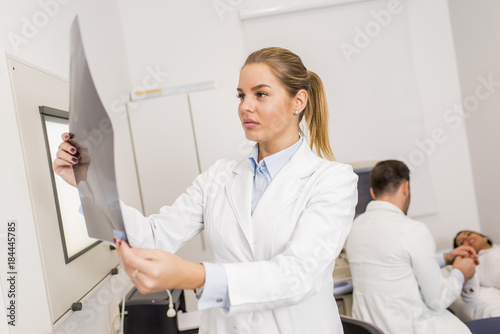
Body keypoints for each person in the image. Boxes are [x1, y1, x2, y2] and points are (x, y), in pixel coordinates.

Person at [53, 47, 358, 334]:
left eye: (260, 94)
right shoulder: (219, 177)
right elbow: (152, 236)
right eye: (241, 95)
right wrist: (88, 182)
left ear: (298, 101)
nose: (244, 106)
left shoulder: (332, 180)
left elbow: (298, 275)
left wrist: (196, 276)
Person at [345, 160, 478, 334]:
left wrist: (445, 258)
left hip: (375, 328)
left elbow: (394, 266)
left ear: (372, 192)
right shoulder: (412, 230)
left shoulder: (355, 227)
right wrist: (460, 272)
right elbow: (437, 300)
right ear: (405, 187)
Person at [454, 230, 500, 295]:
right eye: (462, 242)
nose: (466, 238)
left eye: (469, 234)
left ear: (484, 238)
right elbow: (470, 292)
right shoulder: (474, 266)